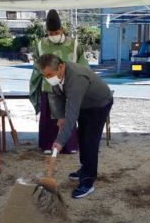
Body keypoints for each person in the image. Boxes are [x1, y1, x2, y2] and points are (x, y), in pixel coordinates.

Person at [35, 54, 113, 198]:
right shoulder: (57, 75)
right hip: (84, 103)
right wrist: (60, 117)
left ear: (60, 67)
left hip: (99, 104)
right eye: (44, 76)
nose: (47, 78)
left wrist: (59, 142)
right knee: (82, 136)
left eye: (49, 75)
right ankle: (84, 168)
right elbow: (56, 95)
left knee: (90, 141)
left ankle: (88, 181)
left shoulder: (76, 78)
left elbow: (72, 113)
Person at [29, 9, 89, 155]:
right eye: (50, 33)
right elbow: (37, 66)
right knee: (49, 119)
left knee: (69, 115)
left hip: (68, 87)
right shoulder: (41, 44)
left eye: (56, 32)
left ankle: (69, 146)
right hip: (48, 86)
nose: (53, 36)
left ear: (62, 29)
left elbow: (83, 65)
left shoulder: (73, 44)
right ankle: (48, 145)